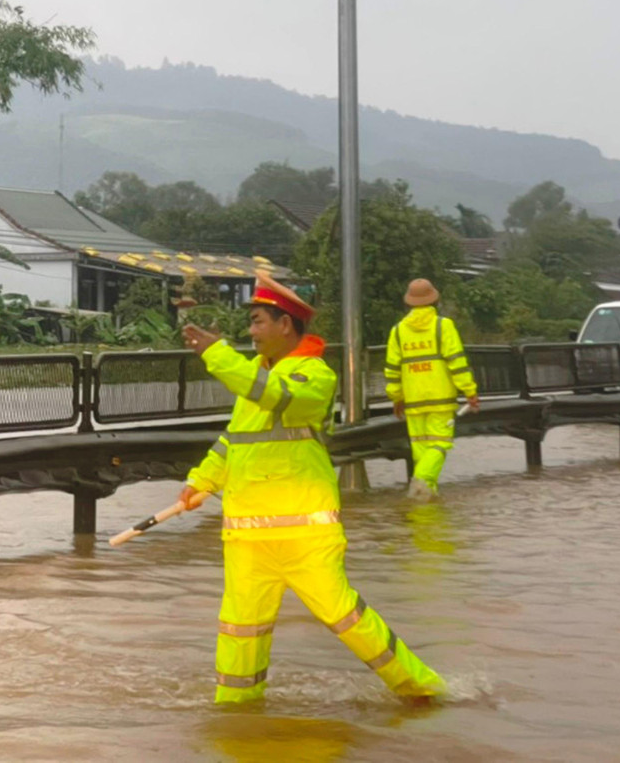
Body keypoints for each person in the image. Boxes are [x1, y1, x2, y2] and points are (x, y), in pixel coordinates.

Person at [177, 272, 446, 705]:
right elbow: (235, 439)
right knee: (240, 631)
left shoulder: (313, 375)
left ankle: (423, 689)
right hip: (247, 536)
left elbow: (274, 396)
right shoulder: (256, 375)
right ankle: (235, 717)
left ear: (286, 325)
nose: (251, 332)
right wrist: (200, 481)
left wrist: (217, 353)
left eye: (259, 321)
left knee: (347, 619)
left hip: (304, 535)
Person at [384, 278, 479, 501]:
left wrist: (397, 398)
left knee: (421, 449)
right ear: (434, 300)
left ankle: (426, 504)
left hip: (413, 401)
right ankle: (422, 481)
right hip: (440, 399)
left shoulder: (398, 331)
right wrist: (470, 391)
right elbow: (456, 361)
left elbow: (391, 371)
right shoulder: (442, 326)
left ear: (409, 302)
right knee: (439, 444)